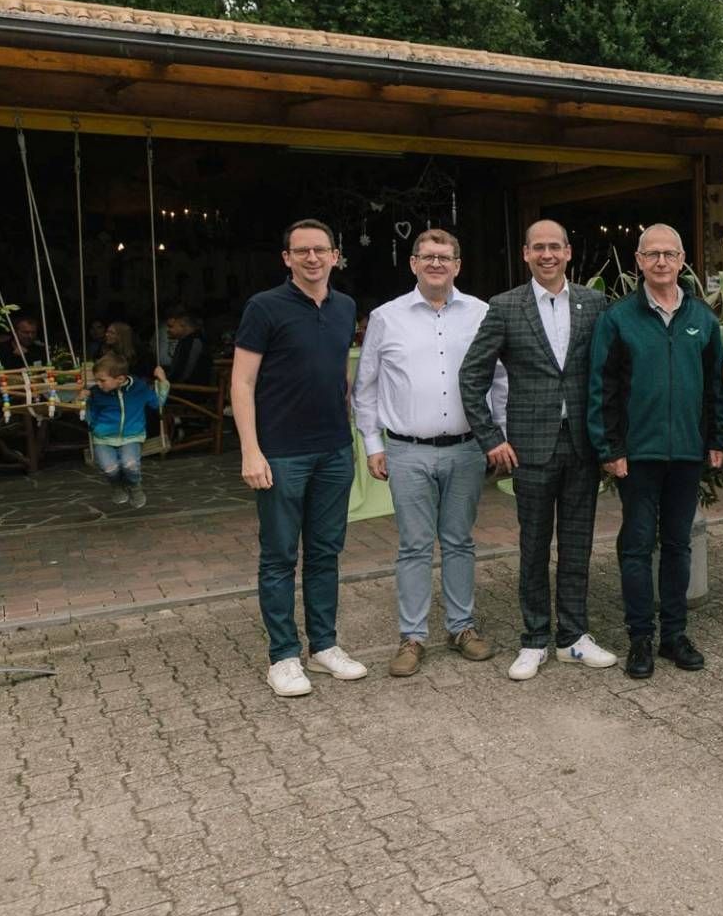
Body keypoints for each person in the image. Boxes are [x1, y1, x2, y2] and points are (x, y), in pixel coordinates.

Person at [460, 219, 616, 680]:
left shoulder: (594, 303)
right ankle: (533, 639)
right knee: (533, 546)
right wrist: (491, 438)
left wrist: (610, 438)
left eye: (555, 247)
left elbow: (609, 374)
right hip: (528, 447)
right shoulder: (505, 306)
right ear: (526, 254)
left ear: (568, 252)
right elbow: (472, 376)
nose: (547, 254)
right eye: (538, 248)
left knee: (577, 545)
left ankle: (573, 637)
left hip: (582, 446)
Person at [356, 229, 507, 678]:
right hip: (407, 451)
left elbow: (500, 379)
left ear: (458, 265)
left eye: (445, 257)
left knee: (459, 541)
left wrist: (498, 436)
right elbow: (366, 387)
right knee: (414, 545)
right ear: (413, 263)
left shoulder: (482, 313)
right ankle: (413, 636)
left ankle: (461, 628)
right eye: (428, 256)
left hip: (466, 449)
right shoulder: (386, 317)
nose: (436, 263)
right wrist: (372, 444)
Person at [232, 218, 368, 698]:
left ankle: (324, 646)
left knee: (326, 552)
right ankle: (283, 656)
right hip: (281, 453)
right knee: (279, 556)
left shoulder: (345, 307)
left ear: (335, 256)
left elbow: (338, 375)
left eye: (320, 250)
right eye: (302, 251)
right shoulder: (264, 307)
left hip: (334, 450)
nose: (313, 258)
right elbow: (242, 382)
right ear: (287, 258)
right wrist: (250, 450)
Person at [587, 223, 723, 678]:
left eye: (669, 254)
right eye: (652, 254)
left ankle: (674, 635)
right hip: (637, 456)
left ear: (682, 260)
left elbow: (714, 388)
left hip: (686, 454)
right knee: (637, 545)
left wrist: (715, 439)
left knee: (678, 545)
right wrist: (610, 447)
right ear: (639, 262)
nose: (661, 262)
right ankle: (640, 638)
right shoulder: (618, 319)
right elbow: (602, 387)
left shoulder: (702, 319)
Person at [85, 352, 169, 508]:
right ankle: (116, 486)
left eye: (102, 380)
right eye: (96, 380)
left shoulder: (139, 388)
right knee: (110, 469)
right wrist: (84, 402)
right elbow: (89, 415)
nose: (98, 384)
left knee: (130, 465)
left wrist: (162, 381)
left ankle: (135, 487)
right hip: (103, 438)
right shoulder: (96, 393)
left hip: (132, 436)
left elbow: (157, 403)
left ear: (120, 379)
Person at [164, 313, 213, 387]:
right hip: (180, 386)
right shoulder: (185, 341)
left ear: (182, 325)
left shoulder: (194, 341)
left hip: (190, 389)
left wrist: (166, 382)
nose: (168, 330)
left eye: (171, 326)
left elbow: (185, 374)